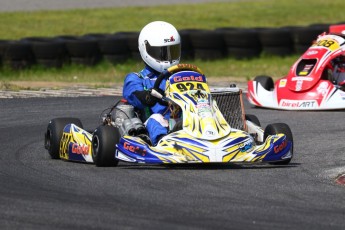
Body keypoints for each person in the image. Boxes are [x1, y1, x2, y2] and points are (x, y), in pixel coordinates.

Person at [122, 21, 181, 145]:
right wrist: (148, 96)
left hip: (182, 119)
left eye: (172, 51)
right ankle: (164, 143)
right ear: (146, 49)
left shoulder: (181, 76)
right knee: (156, 118)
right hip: (152, 123)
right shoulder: (137, 78)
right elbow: (133, 94)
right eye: (162, 52)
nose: (168, 58)